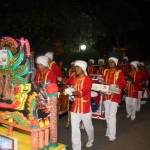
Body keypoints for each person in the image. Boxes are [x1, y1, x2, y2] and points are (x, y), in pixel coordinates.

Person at [70, 60, 94, 150]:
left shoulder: (88, 80)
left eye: (78, 67)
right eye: (75, 67)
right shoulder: (74, 79)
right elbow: (69, 86)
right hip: (75, 108)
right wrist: (70, 94)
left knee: (88, 127)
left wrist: (71, 92)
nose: (76, 69)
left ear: (83, 69)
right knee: (75, 129)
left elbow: (82, 93)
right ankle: (76, 148)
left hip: (85, 108)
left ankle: (91, 139)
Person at [102, 57, 126, 141]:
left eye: (112, 62)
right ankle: (109, 130)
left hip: (115, 96)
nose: (110, 63)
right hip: (106, 96)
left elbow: (123, 84)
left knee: (112, 116)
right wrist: (102, 82)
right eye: (109, 62)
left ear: (115, 63)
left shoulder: (119, 72)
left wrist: (116, 86)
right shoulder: (105, 71)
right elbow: (104, 82)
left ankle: (112, 135)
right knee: (106, 115)